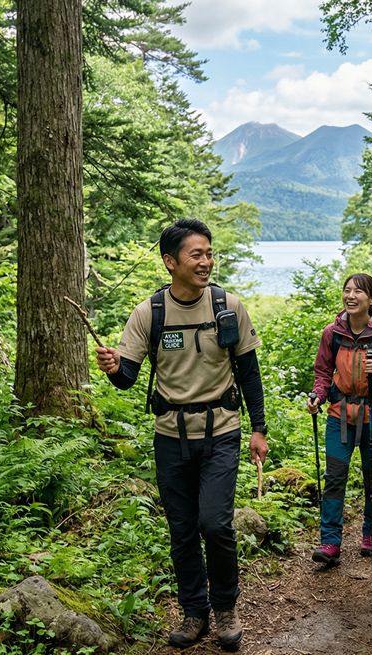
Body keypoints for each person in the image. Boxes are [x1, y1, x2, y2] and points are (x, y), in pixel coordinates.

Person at [95, 219, 268, 651]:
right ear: (170, 262)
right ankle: (194, 612)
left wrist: (259, 428)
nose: (206, 261)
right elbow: (127, 377)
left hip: (222, 430)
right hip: (170, 436)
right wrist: (114, 367)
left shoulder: (228, 307)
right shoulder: (149, 313)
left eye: (209, 253)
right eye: (197, 254)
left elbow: (249, 373)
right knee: (182, 529)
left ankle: (225, 608)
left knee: (215, 523)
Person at [307, 274, 372, 567]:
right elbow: (323, 372)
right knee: (334, 477)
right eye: (347, 290)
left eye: (358, 291)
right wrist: (318, 395)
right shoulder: (332, 332)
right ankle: (330, 541)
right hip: (340, 415)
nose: (351, 296)